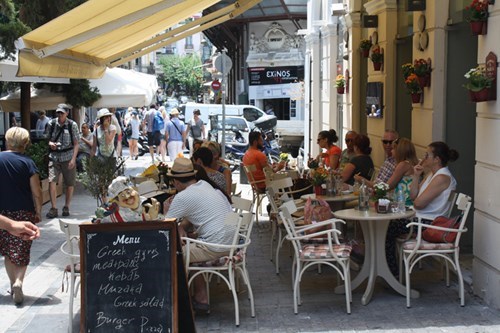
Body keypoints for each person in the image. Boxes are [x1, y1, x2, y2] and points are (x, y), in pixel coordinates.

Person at [165, 157, 235, 311]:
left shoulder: (182, 197)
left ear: (176, 182)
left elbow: (166, 227)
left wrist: (168, 214)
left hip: (215, 246)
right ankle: (200, 298)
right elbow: (195, 213)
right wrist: (180, 226)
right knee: (188, 246)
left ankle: (176, 302)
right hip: (231, 241)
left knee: (172, 254)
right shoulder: (204, 185)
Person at [386, 141, 459, 276]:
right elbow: (413, 196)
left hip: (430, 223)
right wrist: (416, 176)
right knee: (387, 226)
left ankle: (392, 273)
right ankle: (391, 270)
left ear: (437, 159)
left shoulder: (442, 177)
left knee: (386, 229)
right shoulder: (431, 175)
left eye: (427, 155)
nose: (423, 158)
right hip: (421, 219)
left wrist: (416, 202)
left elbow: (419, 204)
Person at [0, 127, 42, 305]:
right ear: (26, 144)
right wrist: (38, 210)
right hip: (24, 212)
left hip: (2, 213)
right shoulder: (28, 163)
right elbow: (37, 191)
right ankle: (19, 281)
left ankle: (12, 283)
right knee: (22, 251)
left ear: (8, 141)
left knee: (9, 252)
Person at [357, 138, 418, 205]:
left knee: (366, 204)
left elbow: (387, 186)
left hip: (404, 204)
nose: (391, 151)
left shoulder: (403, 165)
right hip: (407, 202)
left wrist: (363, 180)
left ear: (399, 151)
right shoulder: (412, 163)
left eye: (393, 149)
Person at [45, 106, 79, 218]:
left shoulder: (72, 125)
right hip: (54, 156)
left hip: (68, 156)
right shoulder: (51, 124)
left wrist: (73, 159)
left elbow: (76, 144)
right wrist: (50, 144)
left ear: (67, 113)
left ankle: (66, 206)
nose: (59, 115)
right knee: (52, 181)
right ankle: (53, 208)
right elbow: (47, 138)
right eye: (58, 113)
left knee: (70, 183)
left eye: (62, 113)